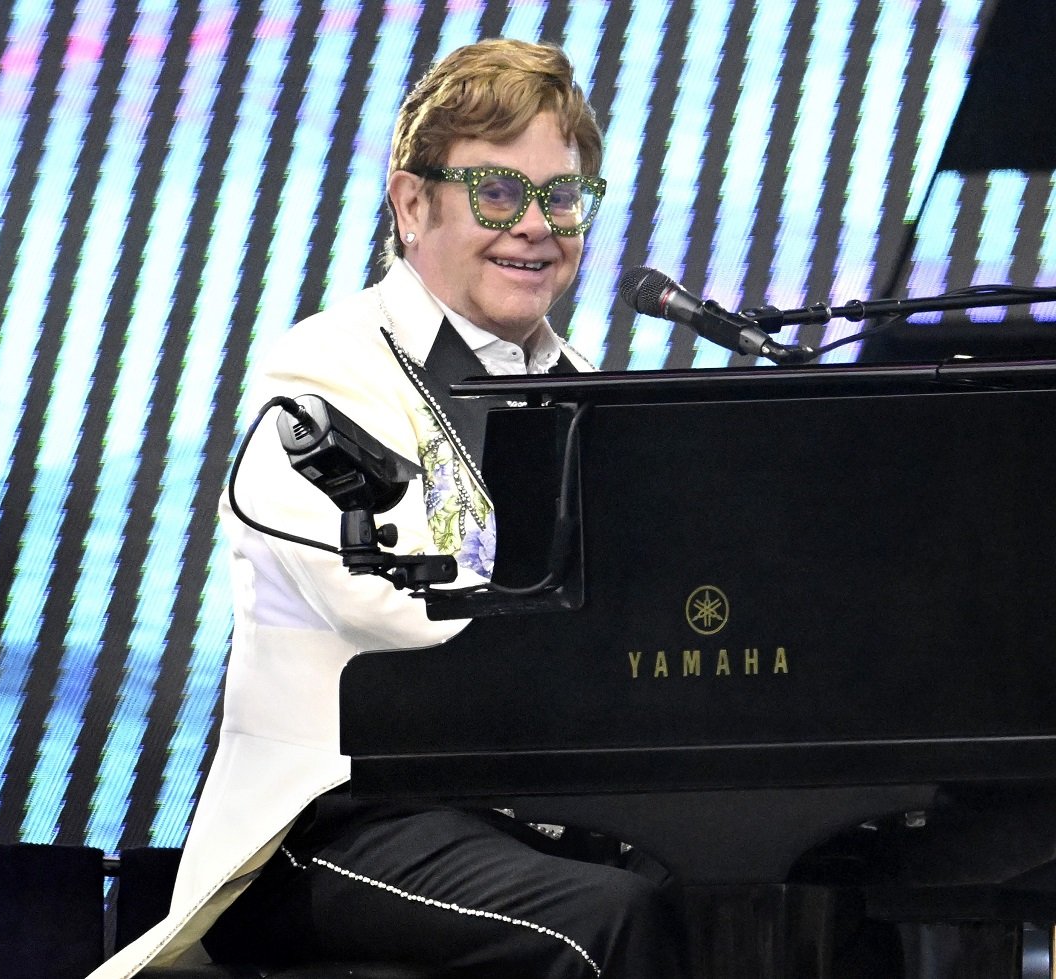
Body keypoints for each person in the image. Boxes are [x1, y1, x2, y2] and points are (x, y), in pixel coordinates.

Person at [89, 38, 683, 979]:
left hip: (539, 809)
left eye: (561, 199)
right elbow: (391, 613)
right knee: (606, 919)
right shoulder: (327, 367)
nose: (536, 227)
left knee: (800, 901)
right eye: (497, 193)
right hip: (337, 817)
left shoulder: (591, 392)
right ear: (413, 204)